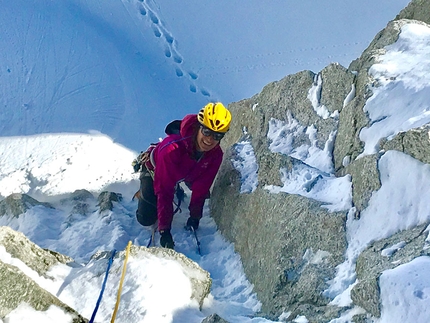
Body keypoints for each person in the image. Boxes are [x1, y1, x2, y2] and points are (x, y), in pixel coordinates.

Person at [134, 102, 232, 249]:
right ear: (199, 127)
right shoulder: (172, 149)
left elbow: (202, 187)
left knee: (198, 186)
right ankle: (143, 190)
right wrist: (164, 230)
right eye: (206, 132)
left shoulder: (215, 155)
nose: (210, 139)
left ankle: (177, 187)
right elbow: (165, 190)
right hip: (154, 170)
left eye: (217, 136)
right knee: (146, 219)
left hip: (186, 171)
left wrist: (195, 216)